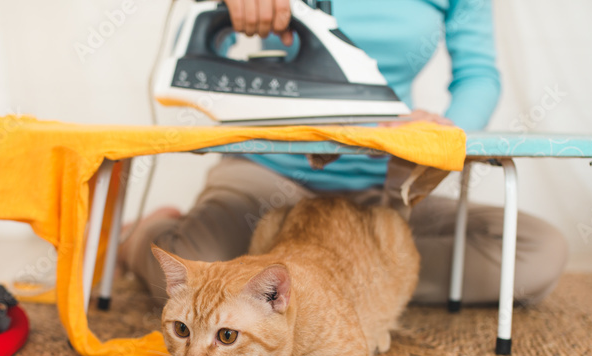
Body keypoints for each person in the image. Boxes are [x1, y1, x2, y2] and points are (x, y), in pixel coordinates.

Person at [120, 0, 568, 306]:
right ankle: (141, 233)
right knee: (190, 289)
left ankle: (319, 278)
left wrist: (441, 133)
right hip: (268, 175)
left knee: (537, 253)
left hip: (383, 188)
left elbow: (478, 74)